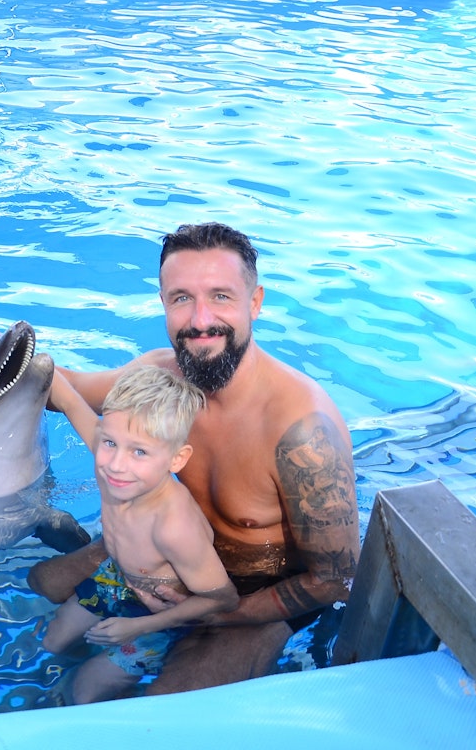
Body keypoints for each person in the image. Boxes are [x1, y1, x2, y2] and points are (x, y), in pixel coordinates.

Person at [29, 221, 360, 694]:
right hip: (166, 554)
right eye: (182, 298)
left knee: (167, 709)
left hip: (255, 594)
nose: (201, 319)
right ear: (163, 302)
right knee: (40, 585)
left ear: (255, 302)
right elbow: (66, 389)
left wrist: (209, 614)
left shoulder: (303, 431)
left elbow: (334, 580)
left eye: (221, 296)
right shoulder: (158, 380)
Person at [41, 365, 239, 704]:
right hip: (117, 578)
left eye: (140, 452)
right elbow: (69, 399)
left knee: (86, 690)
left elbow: (224, 599)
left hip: (159, 614)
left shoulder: (174, 527)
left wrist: (139, 627)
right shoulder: (113, 468)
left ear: (177, 460)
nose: (116, 464)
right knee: (52, 641)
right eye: (109, 443)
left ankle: (126, 692)